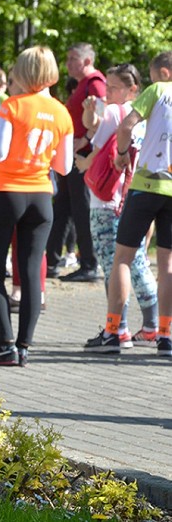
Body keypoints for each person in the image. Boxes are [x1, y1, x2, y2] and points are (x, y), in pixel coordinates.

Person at [0, 46, 73, 366]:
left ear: (22, 71)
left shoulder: (12, 106)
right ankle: (25, 346)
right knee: (32, 272)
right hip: (41, 196)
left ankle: (4, 344)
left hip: (5, 191)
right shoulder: (61, 112)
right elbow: (65, 166)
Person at [79, 64, 159, 353]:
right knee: (138, 263)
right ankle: (152, 325)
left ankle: (117, 329)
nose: (108, 93)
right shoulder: (148, 117)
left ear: (131, 89)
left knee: (113, 265)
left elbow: (95, 144)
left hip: (106, 199)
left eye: (113, 87)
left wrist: (84, 164)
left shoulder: (117, 111)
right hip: (133, 195)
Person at [104, 51, 172, 357]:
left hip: (145, 185)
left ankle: (112, 331)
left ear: (163, 73)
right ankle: (165, 335)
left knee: (123, 258)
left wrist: (121, 154)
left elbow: (126, 126)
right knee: (167, 264)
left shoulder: (157, 91)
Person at [47, 42, 105, 282]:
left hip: (83, 157)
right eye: (68, 58)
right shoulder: (83, 85)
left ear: (87, 61)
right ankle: (50, 261)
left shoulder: (95, 84)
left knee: (81, 209)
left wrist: (85, 140)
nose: (68, 63)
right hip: (71, 156)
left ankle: (89, 263)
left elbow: (102, 116)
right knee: (62, 207)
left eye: (73, 58)